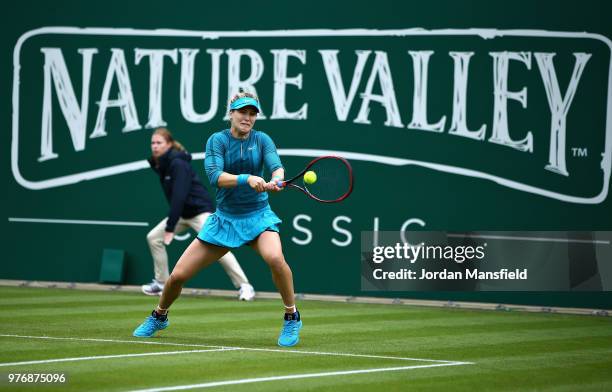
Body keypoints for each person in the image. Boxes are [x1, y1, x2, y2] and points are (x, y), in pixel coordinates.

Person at [133, 93, 302, 347]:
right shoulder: (217, 140)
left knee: (276, 259)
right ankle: (159, 316)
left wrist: (276, 178)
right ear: (231, 114)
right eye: (242, 112)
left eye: (252, 113)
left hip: (258, 217)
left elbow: (276, 166)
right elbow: (215, 175)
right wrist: (247, 178)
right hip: (224, 219)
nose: (247, 117)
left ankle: (292, 315)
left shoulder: (263, 140)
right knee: (177, 276)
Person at [142, 127, 255, 301]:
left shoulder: (178, 164)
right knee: (153, 237)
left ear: (169, 144)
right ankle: (161, 283)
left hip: (199, 211)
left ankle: (245, 286)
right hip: (182, 213)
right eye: (153, 143)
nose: (155, 146)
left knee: (219, 246)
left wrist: (170, 227)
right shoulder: (163, 164)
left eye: (159, 143)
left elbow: (179, 196)